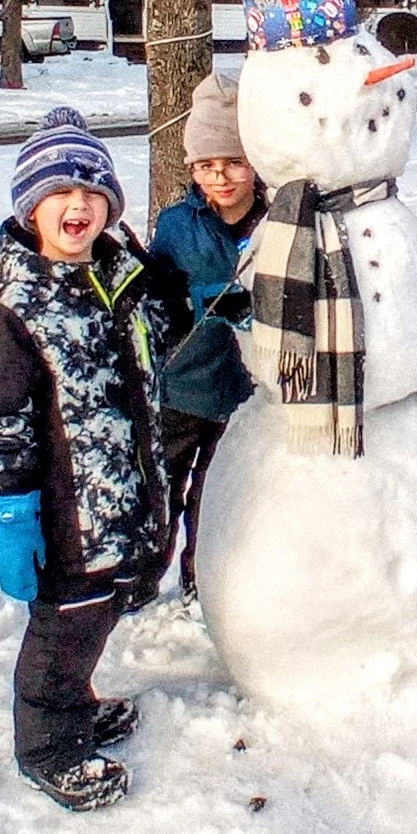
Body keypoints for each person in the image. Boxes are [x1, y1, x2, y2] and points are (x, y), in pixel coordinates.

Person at [0, 106, 173, 812]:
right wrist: (15, 502)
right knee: (63, 628)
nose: (77, 205)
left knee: (98, 613)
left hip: (123, 497)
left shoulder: (118, 285)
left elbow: (158, 345)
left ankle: (72, 704)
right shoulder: (19, 309)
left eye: (91, 192)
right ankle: (47, 743)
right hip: (62, 510)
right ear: (31, 209)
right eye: (59, 192)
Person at [149, 74, 266, 601]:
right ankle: (142, 578)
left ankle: (204, 582)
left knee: (216, 496)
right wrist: (190, 300)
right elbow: (158, 299)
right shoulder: (176, 224)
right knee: (161, 488)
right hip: (183, 384)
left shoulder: (276, 224)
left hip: (244, 391)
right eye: (205, 166)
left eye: (232, 163)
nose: (219, 177)